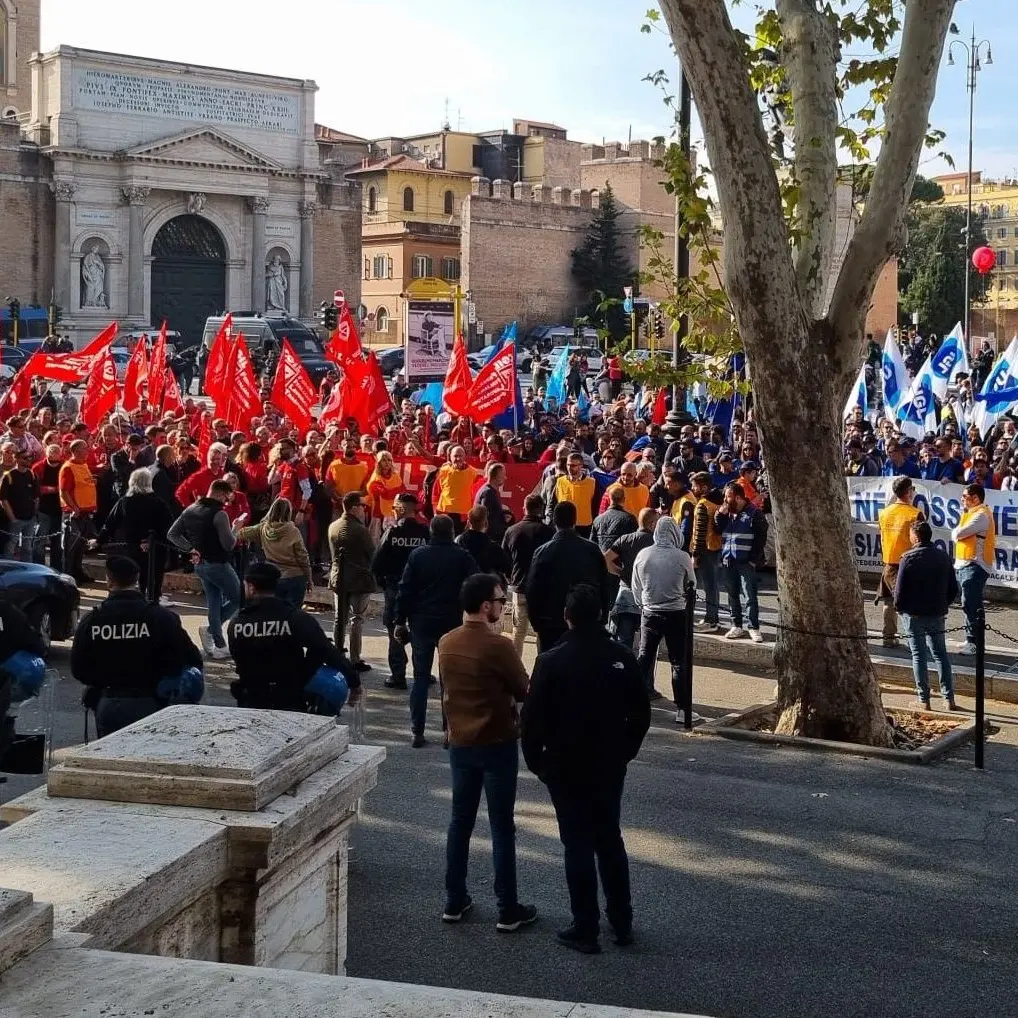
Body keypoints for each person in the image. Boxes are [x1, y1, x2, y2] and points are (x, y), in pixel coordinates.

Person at [521, 584, 650, 955]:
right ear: (601, 614)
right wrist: (626, 751)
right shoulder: (621, 657)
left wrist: (538, 763)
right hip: (609, 762)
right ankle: (621, 919)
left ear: (567, 617)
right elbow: (640, 712)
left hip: (565, 765)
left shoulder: (552, 661)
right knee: (609, 838)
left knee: (576, 844)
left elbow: (532, 719)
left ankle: (586, 925)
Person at [438, 573, 536, 932]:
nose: (503, 605)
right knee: (501, 827)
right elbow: (525, 689)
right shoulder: (500, 646)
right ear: (485, 606)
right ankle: (507, 908)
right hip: (497, 742)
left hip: (461, 741)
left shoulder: (446, 642)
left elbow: (446, 691)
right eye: (499, 600)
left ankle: (454, 898)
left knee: (459, 821)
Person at [71, 555, 203, 737]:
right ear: (136, 579)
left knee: (109, 762)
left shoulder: (92, 620)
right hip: (151, 703)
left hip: (110, 704)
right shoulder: (161, 617)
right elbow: (191, 658)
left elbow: (78, 669)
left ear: (109, 580)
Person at [394, 514, 479, 748]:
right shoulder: (461, 556)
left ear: (431, 531)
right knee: (449, 680)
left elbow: (405, 589)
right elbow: (476, 582)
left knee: (420, 678)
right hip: (450, 622)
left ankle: (417, 730)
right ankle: (449, 731)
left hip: (421, 621)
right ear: (452, 532)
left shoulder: (418, 555)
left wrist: (399, 619)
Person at [228, 562, 361, 711]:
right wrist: (354, 681)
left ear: (251, 588)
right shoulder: (295, 618)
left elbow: (239, 659)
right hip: (289, 700)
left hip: (251, 702)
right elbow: (327, 650)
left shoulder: (237, 624)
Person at [167, 478, 244, 660]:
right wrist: (235, 528)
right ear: (219, 493)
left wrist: (189, 548)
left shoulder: (191, 509)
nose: (227, 501)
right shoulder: (220, 514)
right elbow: (228, 544)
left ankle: (217, 640)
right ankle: (213, 634)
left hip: (200, 564)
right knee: (239, 597)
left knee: (214, 603)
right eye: (226, 497)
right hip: (219, 564)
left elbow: (172, 534)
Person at [524, 501, 610, 653]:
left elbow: (532, 590)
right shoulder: (592, 550)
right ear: (574, 521)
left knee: (551, 668)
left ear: (555, 521)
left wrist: (537, 622)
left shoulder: (543, 552)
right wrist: (601, 618)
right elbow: (604, 585)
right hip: (585, 621)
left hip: (551, 622)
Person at [894, 520, 959, 711]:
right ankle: (949, 698)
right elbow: (953, 588)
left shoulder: (908, 558)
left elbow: (899, 590)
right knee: (940, 654)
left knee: (918, 655)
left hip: (914, 613)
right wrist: (943, 604)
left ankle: (924, 699)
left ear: (915, 536)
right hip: (937, 611)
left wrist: (900, 608)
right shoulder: (943, 557)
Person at [632, 516, 696, 705]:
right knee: (678, 662)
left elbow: (636, 586)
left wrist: (643, 604)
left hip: (650, 612)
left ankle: (633, 700)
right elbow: (692, 584)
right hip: (676, 612)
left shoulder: (643, 554)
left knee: (644, 657)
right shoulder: (682, 556)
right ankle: (682, 708)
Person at [371, 492, 430, 689]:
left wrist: (384, 581)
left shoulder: (393, 532)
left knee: (394, 630)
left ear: (403, 509)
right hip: (420, 591)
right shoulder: (424, 533)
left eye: (395, 508)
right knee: (420, 631)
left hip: (394, 588)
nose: (394, 512)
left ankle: (398, 675)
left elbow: (377, 562)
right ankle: (423, 672)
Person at [95, 468, 175, 604]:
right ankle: (152, 602)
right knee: (153, 580)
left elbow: (110, 524)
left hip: (130, 547)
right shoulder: (158, 503)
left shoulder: (124, 502)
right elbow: (168, 526)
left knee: (131, 579)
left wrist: (99, 540)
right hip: (154, 548)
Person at [328, 490, 376, 672]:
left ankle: (337, 653)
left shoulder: (333, 526)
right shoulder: (360, 530)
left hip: (338, 577)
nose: (365, 509)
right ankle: (355, 659)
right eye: (363, 505)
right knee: (357, 619)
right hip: (359, 580)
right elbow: (372, 553)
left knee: (339, 618)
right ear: (355, 508)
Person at [501, 494, 554, 656]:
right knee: (542, 632)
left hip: (520, 585)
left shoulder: (512, 530)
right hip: (542, 588)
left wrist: (510, 577)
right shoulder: (548, 532)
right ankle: (542, 668)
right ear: (541, 509)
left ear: (525, 508)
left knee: (518, 631)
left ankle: (515, 668)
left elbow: (504, 558)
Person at [237, 497, 314, 608]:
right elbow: (303, 557)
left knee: (275, 612)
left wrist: (237, 525)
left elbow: (240, 533)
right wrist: (309, 578)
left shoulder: (263, 528)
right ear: (289, 512)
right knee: (293, 614)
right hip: (295, 576)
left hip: (273, 575)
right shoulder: (293, 531)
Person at [714, 482, 767, 642]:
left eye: (728, 496)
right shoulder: (727, 513)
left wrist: (753, 560)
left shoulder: (754, 513)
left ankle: (753, 627)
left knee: (750, 595)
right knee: (732, 595)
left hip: (745, 561)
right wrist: (719, 515)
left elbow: (761, 538)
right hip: (728, 560)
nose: (725, 499)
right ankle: (736, 624)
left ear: (738, 497)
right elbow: (717, 529)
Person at [876, 476, 923, 648]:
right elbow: (920, 540)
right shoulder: (915, 514)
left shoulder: (884, 513)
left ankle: (888, 637)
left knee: (888, 602)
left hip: (889, 563)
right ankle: (914, 641)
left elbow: (880, 534)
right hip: (908, 564)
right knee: (909, 605)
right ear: (909, 492)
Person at [605, 508, 659, 652]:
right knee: (647, 646)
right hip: (649, 597)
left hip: (626, 594)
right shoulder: (656, 543)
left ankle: (621, 671)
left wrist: (620, 572)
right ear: (652, 524)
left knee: (622, 641)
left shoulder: (625, 539)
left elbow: (606, 559)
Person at [951, 483, 996, 656]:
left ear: (975, 498)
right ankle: (971, 639)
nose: (962, 499)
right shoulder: (971, 513)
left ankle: (975, 642)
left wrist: (957, 533)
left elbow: (958, 534)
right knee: (967, 602)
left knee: (971, 603)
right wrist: (957, 533)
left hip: (975, 565)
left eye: (965, 496)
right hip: (965, 563)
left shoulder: (981, 516)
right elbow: (957, 533)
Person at [59, 439, 99, 585]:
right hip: (74, 513)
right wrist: (74, 507)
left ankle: (78, 572)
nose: (87, 451)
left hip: (86, 512)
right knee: (71, 546)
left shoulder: (83, 465)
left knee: (81, 547)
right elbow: (64, 491)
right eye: (84, 449)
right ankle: (68, 575)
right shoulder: (68, 467)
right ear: (75, 451)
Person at [689, 472, 723, 633]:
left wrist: (695, 554)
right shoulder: (717, 501)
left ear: (703, 487)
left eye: (694, 485)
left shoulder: (703, 504)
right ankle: (713, 617)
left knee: (708, 585)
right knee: (713, 585)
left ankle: (711, 620)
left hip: (706, 549)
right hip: (715, 547)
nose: (692, 488)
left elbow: (699, 532)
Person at [0, 448, 39, 562]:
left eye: (30, 457)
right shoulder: (9, 476)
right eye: (25, 458)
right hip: (15, 519)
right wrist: (12, 518)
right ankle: (8, 572)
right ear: (17, 459)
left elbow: (37, 496)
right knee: (10, 547)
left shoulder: (32, 474)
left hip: (30, 519)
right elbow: (3, 499)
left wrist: (34, 514)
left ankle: (28, 572)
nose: (28, 459)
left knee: (27, 548)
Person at [549, 452, 597, 538]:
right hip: (564, 526)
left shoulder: (591, 483)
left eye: (573, 466)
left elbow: (595, 506)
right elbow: (553, 503)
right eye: (568, 465)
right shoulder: (560, 481)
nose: (570, 468)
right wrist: (552, 521)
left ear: (581, 466)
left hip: (584, 526)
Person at [456, 506, 510, 582]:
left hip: (463, 585)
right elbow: (506, 566)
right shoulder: (493, 546)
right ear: (486, 523)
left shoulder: (458, 541)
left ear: (468, 522)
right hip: (485, 586)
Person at [32, 443, 64, 571]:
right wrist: (52, 489)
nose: (54, 452)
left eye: (57, 450)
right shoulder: (38, 467)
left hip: (60, 508)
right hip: (43, 509)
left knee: (57, 542)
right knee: (40, 540)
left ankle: (56, 568)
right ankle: (38, 567)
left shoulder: (64, 466)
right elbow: (34, 489)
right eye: (51, 450)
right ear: (46, 452)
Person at [434, 445, 481, 532]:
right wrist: (435, 513)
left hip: (463, 516)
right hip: (444, 514)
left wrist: (471, 518)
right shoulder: (443, 471)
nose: (458, 458)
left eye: (460, 456)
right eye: (455, 456)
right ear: (450, 457)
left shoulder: (473, 473)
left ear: (465, 457)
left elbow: (476, 497)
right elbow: (436, 493)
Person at [473, 462, 509, 545]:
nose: (505, 478)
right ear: (496, 477)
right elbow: (485, 517)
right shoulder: (488, 493)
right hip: (489, 539)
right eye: (503, 475)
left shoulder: (490, 491)